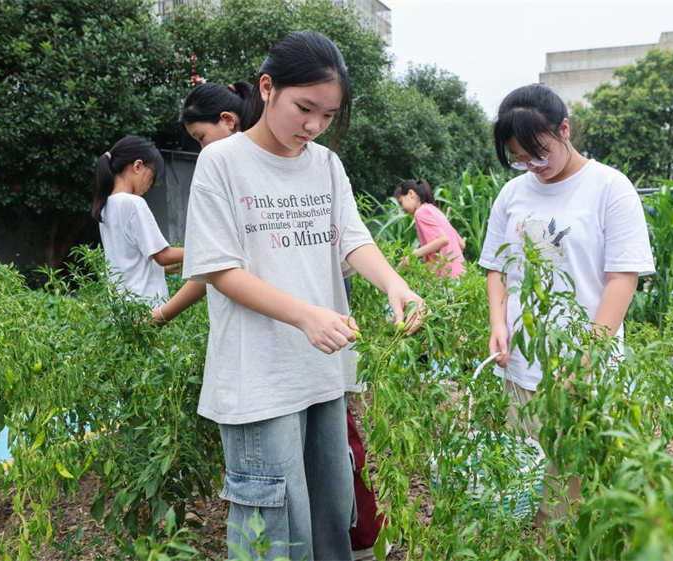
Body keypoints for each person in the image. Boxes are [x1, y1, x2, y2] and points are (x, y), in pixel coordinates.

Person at [181, 32, 423, 560]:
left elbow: (353, 239)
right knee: (273, 531)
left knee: (332, 513)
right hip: (259, 380)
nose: (314, 126)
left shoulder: (325, 165)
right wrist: (306, 316)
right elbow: (220, 270)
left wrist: (394, 284)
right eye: (305, 107)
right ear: (267, 89)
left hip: (323, 373)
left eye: (328, 115)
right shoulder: (222, 163)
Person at [478, 83, 655, 525]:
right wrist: (497, 323)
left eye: (538, 152)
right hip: (523, 365)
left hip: (589, 372)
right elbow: (496, 267)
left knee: (582, 494)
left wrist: (588, 357)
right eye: (519, 158)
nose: (531, 166)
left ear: (565, 129)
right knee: (530, 486)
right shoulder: (513, 194)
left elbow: (621, 279)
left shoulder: (610, 188)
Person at [148, 81, 257, 325]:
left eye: (201, 138)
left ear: (228, 121)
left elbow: (214, 263)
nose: (202, 149)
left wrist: (162, 315)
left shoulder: (230, 169)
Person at [92, 135, 183, 304]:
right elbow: (163, 255)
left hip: (123, 307)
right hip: (146, 308)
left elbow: (129, 258)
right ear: (138, 166)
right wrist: (203, 250)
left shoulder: (106, 206)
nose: (152, 183)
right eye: (153, 175)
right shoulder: (133, 203)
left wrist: (160, 267)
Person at [395, 179, 467, 279]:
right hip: (461, 275)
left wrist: (413, 255)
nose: (401, 208)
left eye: (400, 202)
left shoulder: (421, 212)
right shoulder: (435, 210)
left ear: (411, 194)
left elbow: (443, 240)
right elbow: (462, 244)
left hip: (445, 277)